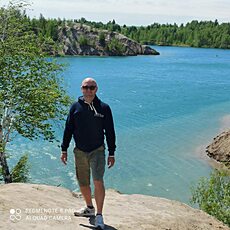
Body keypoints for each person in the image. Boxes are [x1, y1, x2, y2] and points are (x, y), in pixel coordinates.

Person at [60, 77, 116, 229]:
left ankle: (99, 215)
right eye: (86, 87)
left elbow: (110, 131)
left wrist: (111, 152)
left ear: (96, 89)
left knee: (98, 181)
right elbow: (68, 129)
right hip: (80, 151)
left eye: (92, 87)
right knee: (83, 182)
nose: (88, 90)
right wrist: (63, 149)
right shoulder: (75, 107)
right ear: (81, 89)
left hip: (97, 150)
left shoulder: (104, 108)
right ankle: (89, 208)